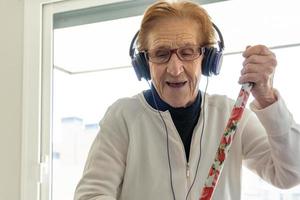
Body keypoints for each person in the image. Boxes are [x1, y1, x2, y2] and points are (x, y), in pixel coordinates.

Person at [74, 0, 300, 199]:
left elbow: (292, 174)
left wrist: (267, 98)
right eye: (161, 54)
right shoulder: (123, 116)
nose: (175, 69)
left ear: (207, 58)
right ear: (145, 63)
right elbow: (91, 195)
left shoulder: (230, 115)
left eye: (188, 51)